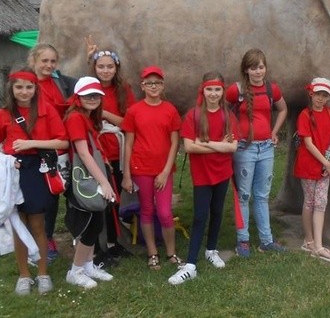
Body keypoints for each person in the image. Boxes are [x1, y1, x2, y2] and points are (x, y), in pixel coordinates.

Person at [0, 68, 68, 295]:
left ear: (35, 89)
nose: (24, 92)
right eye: (19, 87)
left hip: (37, 170)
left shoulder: (46, 110)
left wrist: (32, 144)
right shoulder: (3, 114)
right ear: (11, 89)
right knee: (18, 225)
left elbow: (63, 142)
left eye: (29, 87)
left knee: (38, 224)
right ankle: (23, 275)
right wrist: (2, 160)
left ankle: (42, 273)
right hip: (13, 170)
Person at [169, 72, 239, 285]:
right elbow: (189, 146)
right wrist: (220, 146)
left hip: (223, 172)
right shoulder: (194, 115)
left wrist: (206, 143)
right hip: (202, 175)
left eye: (217, 89)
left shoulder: (229, 116)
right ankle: (190, 264)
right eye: (210, 89)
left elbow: (233, 147)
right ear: (203, 90)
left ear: (222, 91)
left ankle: (211, 250)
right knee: (200, 215)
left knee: (217, 212)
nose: (213, 94)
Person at [225, 48, 288, 257]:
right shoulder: (236, 90)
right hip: (244, 148)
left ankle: (266, 241)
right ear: (246, 69)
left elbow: (283, 109)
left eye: (261, 67)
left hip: (266, 148)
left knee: (262, 196)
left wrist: (274, 131)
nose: (258, 72)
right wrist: (229, 133)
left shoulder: (272, 89)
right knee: (243, 195)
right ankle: (242, 240)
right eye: (253, 68)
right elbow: (221, 110)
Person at [121, 66, 183, 270]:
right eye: (149, 83)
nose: (153, 86)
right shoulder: (134, 111)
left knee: (165, 212)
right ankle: (152, 252)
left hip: (163, 170)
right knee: (146, 210)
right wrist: (127, 174)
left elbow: (175, 143)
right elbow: (129, 144)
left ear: (163, 86)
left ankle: (171, 252)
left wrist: (166, 171)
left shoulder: (170, 110)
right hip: (140, 168)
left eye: (157, 83)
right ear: (143, 86)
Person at [62, 76, 117, 289]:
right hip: (84, 180)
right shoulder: (76, 118)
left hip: (90, 176)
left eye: (96, 95)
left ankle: (88, 265)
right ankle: (75, 271)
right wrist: (104, 182)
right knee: (88, 226)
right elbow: (83, 154)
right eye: (87, 95)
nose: (92, 99)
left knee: (95, 224)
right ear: (78, 97)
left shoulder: (85, 117)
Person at [87, 43, 136, 264]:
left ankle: (114, 243)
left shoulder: (122, 90)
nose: (105, 70)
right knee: (97, 199)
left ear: (116, 68)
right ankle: (97, 247)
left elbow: (129, 121)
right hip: (96, 152)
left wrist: (105, 113)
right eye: (101, 66)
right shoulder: (89, 90)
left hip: (117, 150)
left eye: (109, 66)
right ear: (94, 68)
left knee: (114, 199)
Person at [28, 43, 77, 262]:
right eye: (44, 61)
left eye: (52, 61)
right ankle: (44, 239)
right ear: (34, 62)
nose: (48, 65)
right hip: (38, 148)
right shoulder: (26, 85)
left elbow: (87, 87)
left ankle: (77, 234)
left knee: (65, 191)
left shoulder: (61, 82)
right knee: (46, 198)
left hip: (62, 146)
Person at [294, 78, 330, 262]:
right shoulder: (305, 115)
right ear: (311, 93)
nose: (320, 98)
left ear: (328, 97)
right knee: (310, 202)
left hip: (324, 167)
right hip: (308, 164)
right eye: (318, 94)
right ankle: (309, 240)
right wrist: (326, 163)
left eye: (325, 95)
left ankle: (318, 244)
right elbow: (308, 143)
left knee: (321, 203)